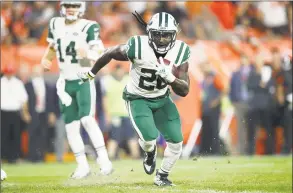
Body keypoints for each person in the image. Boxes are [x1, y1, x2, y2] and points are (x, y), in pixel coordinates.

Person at [79, 12, 190, 186]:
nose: (161, 40)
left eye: (166, 35)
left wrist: (171, 79)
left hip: (162, 98)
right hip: (138, 98)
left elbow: (184, 90)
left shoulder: (181, 51)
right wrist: (92, 73)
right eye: (157, 34)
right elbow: (110, 53)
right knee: (149, 139)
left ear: (174, 35)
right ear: (150, 33)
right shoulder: (137, 46)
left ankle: (162, 176)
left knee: (176, 142)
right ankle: (150, 153)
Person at [41, 1, 112, 179]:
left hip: (82, 79)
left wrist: (87, 56)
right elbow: (53, 46)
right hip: (64, 82)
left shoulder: (89, 26)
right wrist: (47, 59)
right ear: (62, 7)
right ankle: (82, 166)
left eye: (74, 5)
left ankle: (104, 160)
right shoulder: (55, 23)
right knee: (71, 127)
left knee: (87, 120)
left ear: (81, 8)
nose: (70, 9)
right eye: (67, 5)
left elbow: (99, 51)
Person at [103, 64, 140, 160]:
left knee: (131, 136)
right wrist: (107, 113)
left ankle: (135, 155)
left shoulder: (129, 80)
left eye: (121, 71)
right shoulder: (108, 81)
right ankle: (110, 156)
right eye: (118, 71)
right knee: (114, 136)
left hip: (128, 113)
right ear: (114, 71)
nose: (120, 73)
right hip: (115, 114)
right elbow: (105, 99)